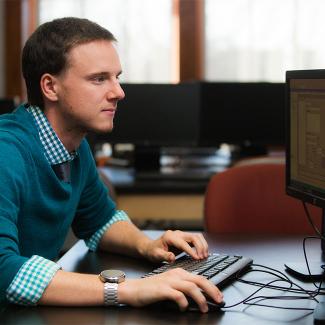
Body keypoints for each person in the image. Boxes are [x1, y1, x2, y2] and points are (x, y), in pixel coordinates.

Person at [0, 17, 223, 313]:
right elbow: (4, 271)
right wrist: (128, 290)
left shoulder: (73, 146)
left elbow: (99, 220)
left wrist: (148, 245)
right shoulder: (6, 152)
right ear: (50, 87)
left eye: (116, 77)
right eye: (99, 78)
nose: (119, 92)